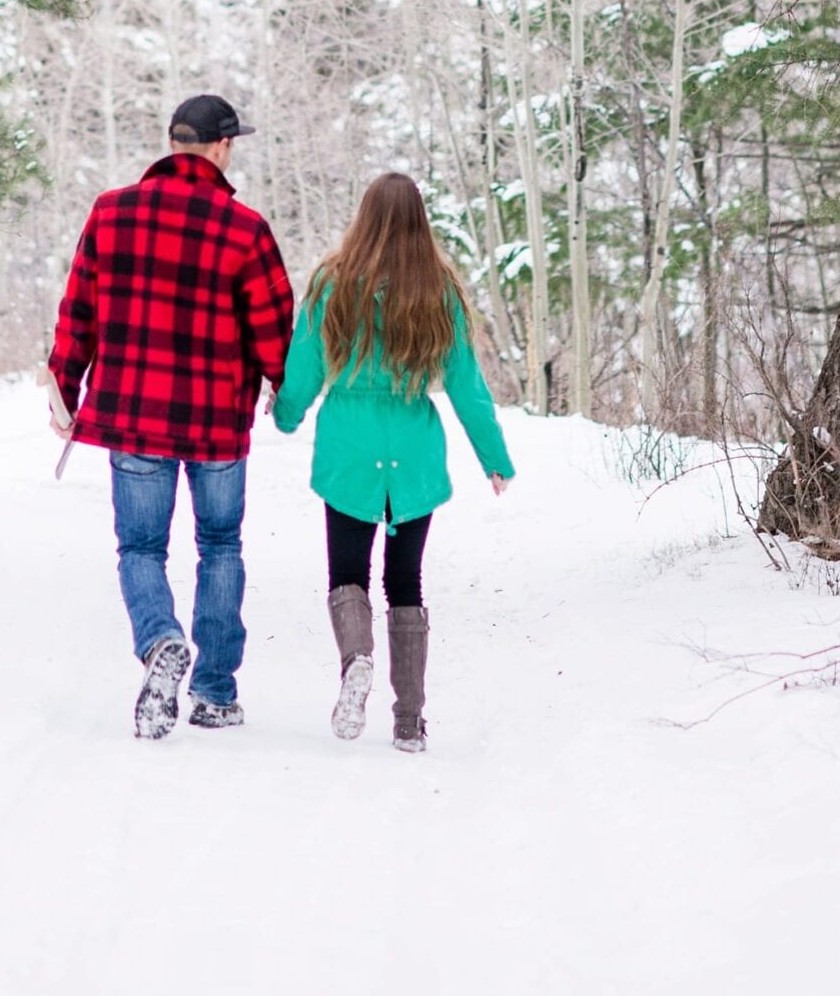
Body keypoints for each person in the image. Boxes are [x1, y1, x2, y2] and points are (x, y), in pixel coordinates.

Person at [49, 93, 294, 741]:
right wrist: (280, 384)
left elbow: (79, 309)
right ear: (221, 147)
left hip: (133, 412)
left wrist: (65, 388)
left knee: (140, 547)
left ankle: (160, 641)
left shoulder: (110, 213)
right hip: (216, 421)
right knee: (219, 545)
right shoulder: (244, 228)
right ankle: (214, 692)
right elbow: (274, 324)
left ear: (171, 141)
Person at [273, 171, 513, 753]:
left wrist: (286, 412)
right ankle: (409, 721)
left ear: (364, 216)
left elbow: (302, 367)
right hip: (414, 452)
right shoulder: (439, 290)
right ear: (419, 222)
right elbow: (466, 385)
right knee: (405, 580)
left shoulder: (332, 283)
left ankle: (357, 659)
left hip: (348, 450)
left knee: (348, 574)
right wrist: (494, 457)